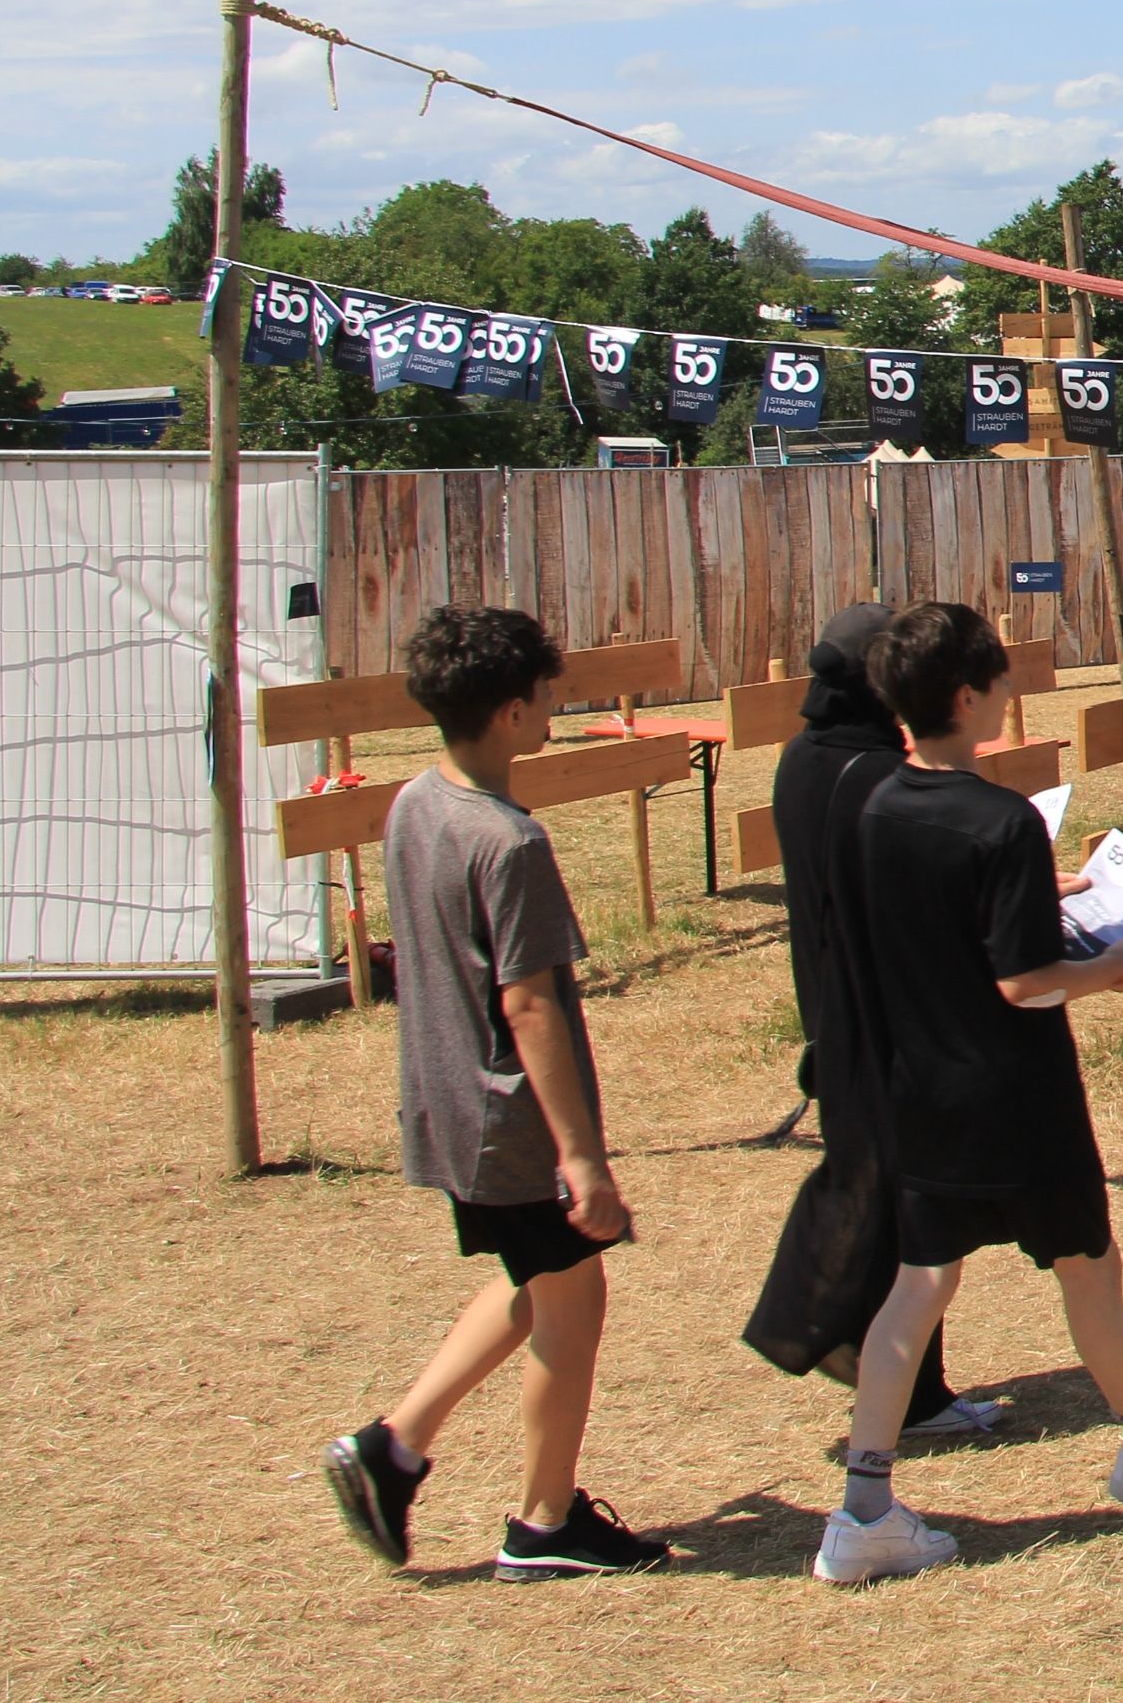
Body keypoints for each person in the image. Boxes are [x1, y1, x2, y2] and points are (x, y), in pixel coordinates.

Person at [816, 603, 1123, 1584]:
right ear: (966, 698)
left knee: (917, 1291)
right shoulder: (998, 818)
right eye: (1000, 681)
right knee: (1089, 1268)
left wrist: (1035, 895)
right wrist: (1115, 968)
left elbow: (935, 925)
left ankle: (864, 1508)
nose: (1010, 694)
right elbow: (1021, 982)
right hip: (1017, 1095)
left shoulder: (877, 805)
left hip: (922, 1093)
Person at [324, 607, 669, 1580]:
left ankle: (392, 1448)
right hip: (507, 1117)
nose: (554, 709)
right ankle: (544, 1523)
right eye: (547, 697)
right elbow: (529, 1004)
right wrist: (582, 1158)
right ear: (514, 713)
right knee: (574, 1297)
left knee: (538, 1282)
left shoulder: (412, 805)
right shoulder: (508, 842)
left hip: (444, 1104)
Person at [742, 604, 996, 1444]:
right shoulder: (868, 775)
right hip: (882, 1007)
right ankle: (863, 1358)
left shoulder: (809, 756)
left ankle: (890, 1369)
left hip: (834, 995)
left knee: (877, 1185)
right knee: (898, 1197)